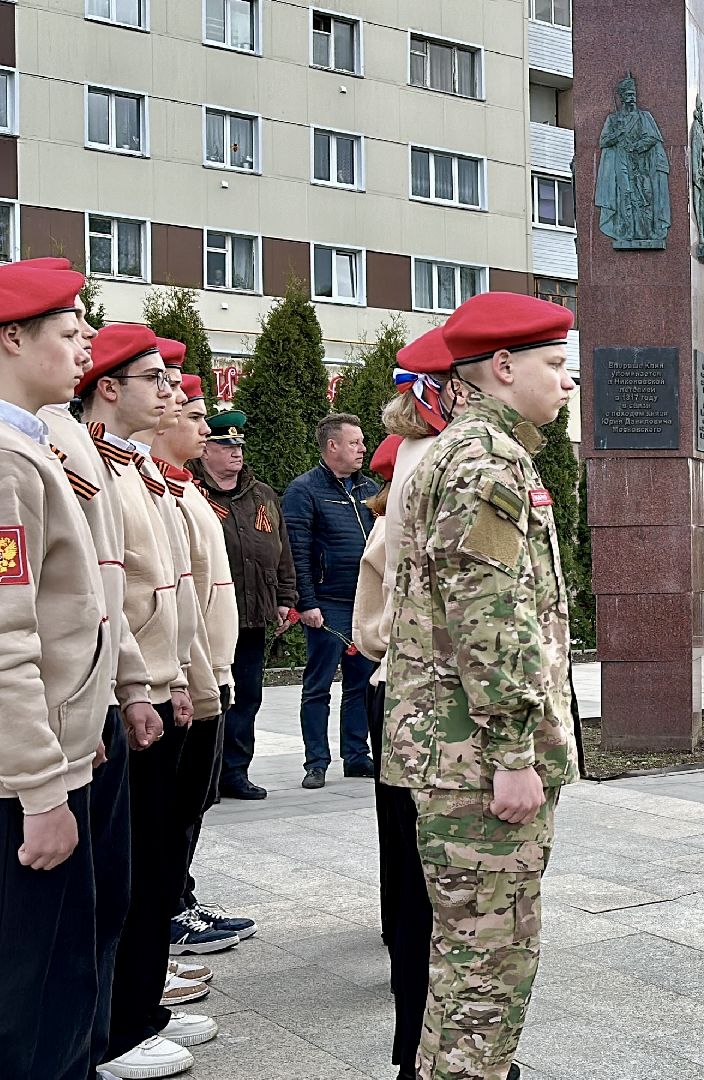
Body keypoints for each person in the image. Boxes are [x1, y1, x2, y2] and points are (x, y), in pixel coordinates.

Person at [382, 292, 579, 1079]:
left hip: (458, 753)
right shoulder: (486, 465)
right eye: (555, 366)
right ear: (502, 368)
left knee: (467, 958)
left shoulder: (471, 454)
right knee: (488, 970)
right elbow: (489, 622)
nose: (567, 383)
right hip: (476, 762)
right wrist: (513, 752)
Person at [82, 324, 212, 1079]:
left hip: (156, 687)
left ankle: (140, 1005)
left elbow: (175, 593)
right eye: (156, 381)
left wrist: (182, 679)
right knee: (125, 873)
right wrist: (137, 686)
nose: (172, 395)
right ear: (110, 387)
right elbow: (107, 598)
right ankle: (122, 1024)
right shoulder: (95, 465)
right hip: (123, 695)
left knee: (152, 861)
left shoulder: (134, 470)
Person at [0, 259, 118, 1080]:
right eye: (68, 332)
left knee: (59, 984)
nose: (84, 350)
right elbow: (6, 640)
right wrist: (43, 789)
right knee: (32, 1002)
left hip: (51, 758)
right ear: (13, 337)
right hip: (22, 787)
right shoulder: (6, 461)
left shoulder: (28, 447)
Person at [357, 326, 458, 1080]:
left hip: (403, 688)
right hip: (432, 701)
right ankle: (425, 1056)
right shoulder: (442, 466)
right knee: (438, 897)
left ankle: (417, 1052)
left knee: (421, 890)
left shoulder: (425, 463)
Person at [152, 367, 249, 957]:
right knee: (166, 811)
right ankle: (167, 913)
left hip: (205, 668)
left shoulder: (182, 488)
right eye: (193, 416)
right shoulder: (157, 487)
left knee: (190, 804)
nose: (207, 427)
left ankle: (177, 899)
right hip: (177, 673)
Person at [190, 409, 297, 800]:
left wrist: (286, 599)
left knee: (247, 697)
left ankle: (235, 772)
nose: (236, 453)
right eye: (225, 445)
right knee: (210, 696)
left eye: (239, 445)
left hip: (252, 616)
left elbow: (282, 551)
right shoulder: (191, 491)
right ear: (206, 451)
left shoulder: (261, 494)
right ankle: (206, 776)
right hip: (209, 617)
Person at [283, 412, 380, 789]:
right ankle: (316, 762)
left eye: (362, 442)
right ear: (332, 446)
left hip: (364, 603)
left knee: (361, 684)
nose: (363, 448)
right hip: (327, 603)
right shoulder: (304, 490)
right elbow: (297, 551)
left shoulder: (369, 490)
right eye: (355, 442)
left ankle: (356, 756)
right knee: (318, 686)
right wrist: (306, 602)